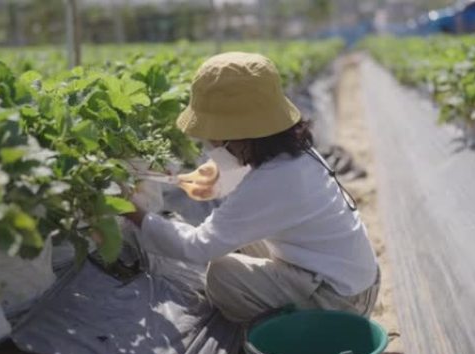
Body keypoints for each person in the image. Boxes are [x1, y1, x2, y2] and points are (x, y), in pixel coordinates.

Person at [125, 52, 379, 324]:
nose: (209, 143)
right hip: (354, 282)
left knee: (222, 275)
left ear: (235, 134)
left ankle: (289, 329)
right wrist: (211, 178)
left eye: (212, 134)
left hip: (340, 303)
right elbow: (253, 191)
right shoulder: (295, 155)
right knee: (239, 240)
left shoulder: (275, 181)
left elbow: (197, 246)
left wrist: (131, 211)